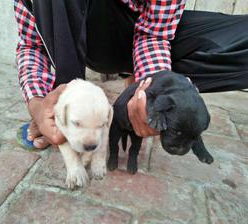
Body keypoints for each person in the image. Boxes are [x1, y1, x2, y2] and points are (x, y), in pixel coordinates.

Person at [14, 0, 248, 149]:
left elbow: (155, 33)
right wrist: (38, 102)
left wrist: (152, 87)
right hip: (88, 31)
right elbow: (32, 44)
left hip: (139, 30)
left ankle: (134, 80)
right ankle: (68, 105)